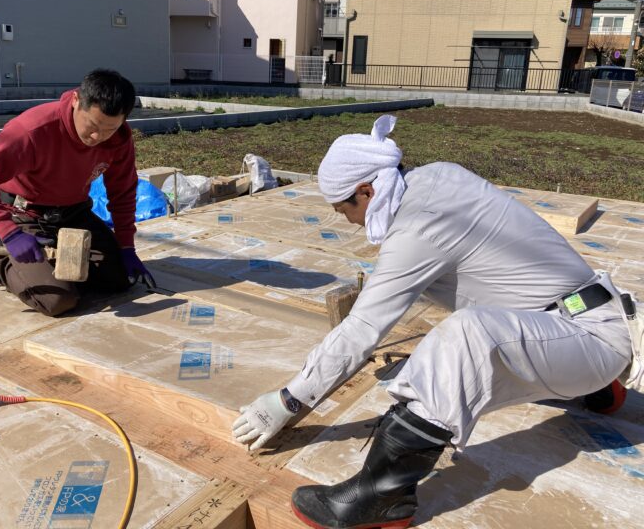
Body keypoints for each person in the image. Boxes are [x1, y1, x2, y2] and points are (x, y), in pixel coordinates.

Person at [231, 115, 634, 529]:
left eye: (342, 209)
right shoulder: (440, 176)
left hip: (590, 341)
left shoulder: (417, 229)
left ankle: (380, 498)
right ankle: (600, 386)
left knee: (465, 336)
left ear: (366, 190)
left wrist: (290, 399)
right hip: (589, 317)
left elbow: (363, 329)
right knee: (487, 310)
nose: (346, 221)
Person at [0, 68, 154, 317]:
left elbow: (123, 192)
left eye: (110, 129)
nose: (98, 137)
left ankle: (51, 260)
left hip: (74, 213)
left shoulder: (119, 140)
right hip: (26, 214)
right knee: (57, 300)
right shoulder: (33, 130)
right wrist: (8, 232)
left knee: (121, 280)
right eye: (92, 126)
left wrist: (127, 246)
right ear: (75, 101)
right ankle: (1, 261)